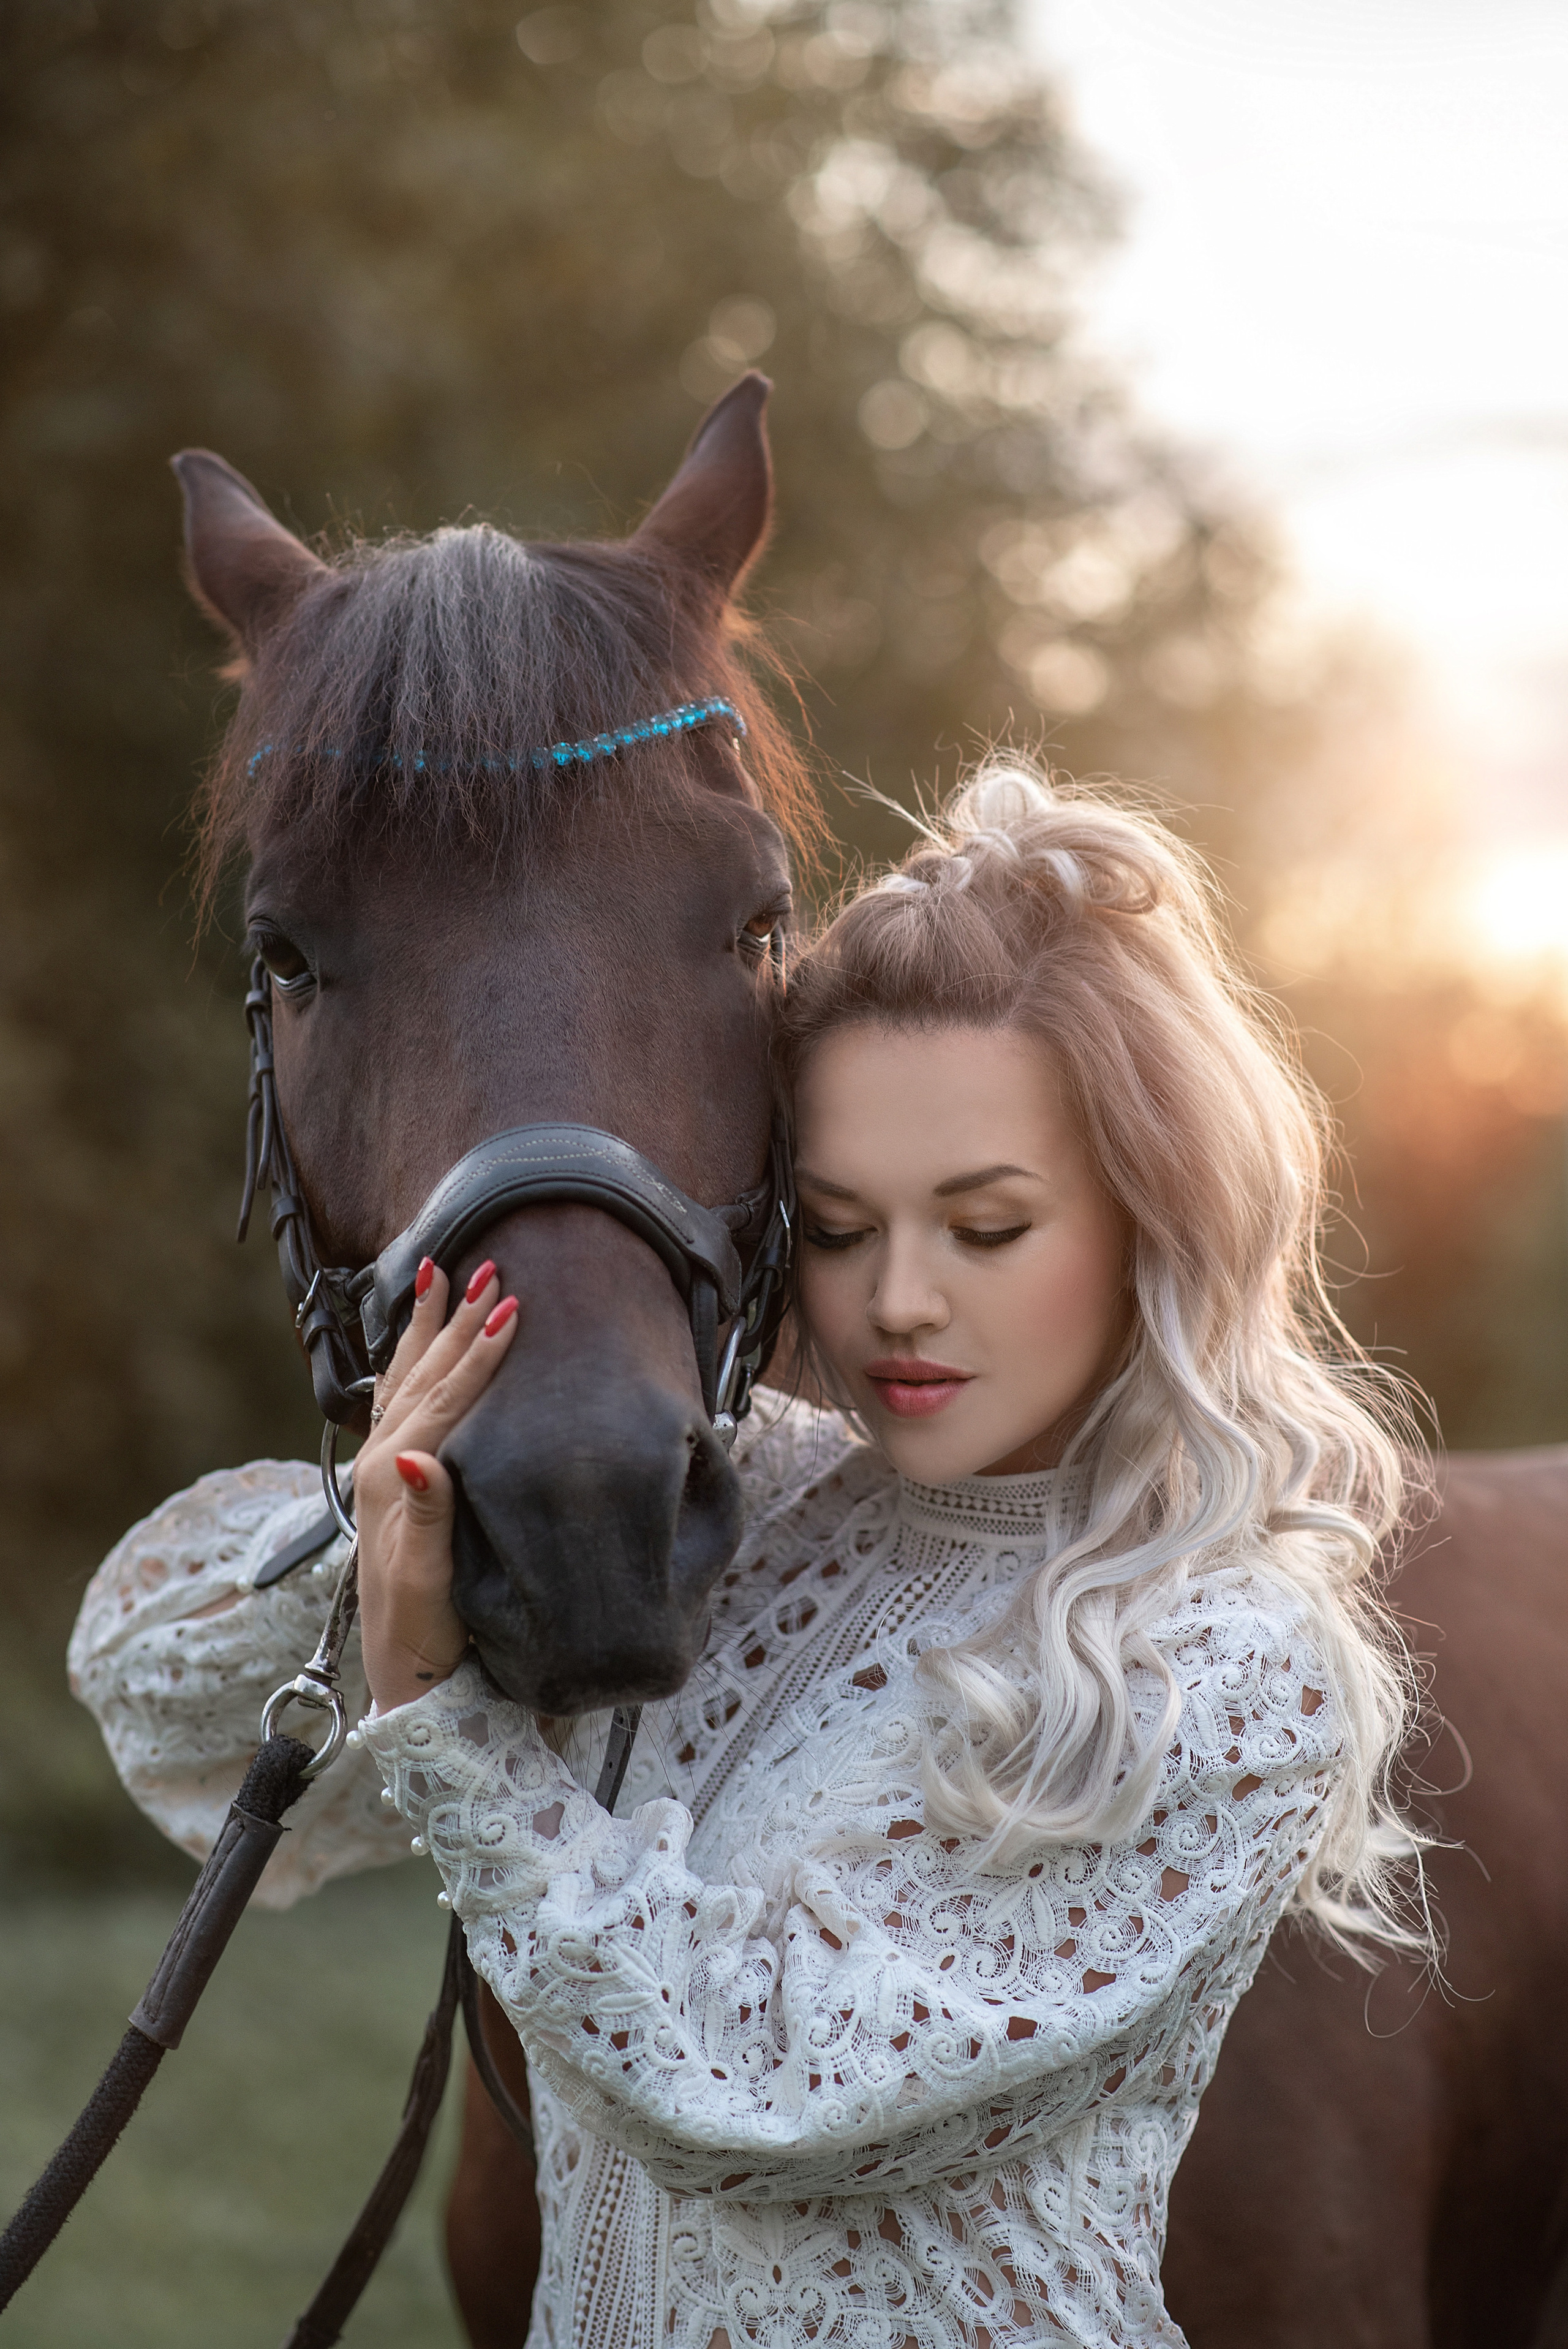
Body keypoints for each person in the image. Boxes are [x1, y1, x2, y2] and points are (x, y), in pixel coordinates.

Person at [71, 759, 1423, 2347]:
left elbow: (754, 2080)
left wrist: (441, 1711)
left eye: (986, 1227)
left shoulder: (1228, 1659)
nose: (902, 1300)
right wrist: (414, 1491)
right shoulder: (744, 1511)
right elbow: (149, 1680)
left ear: (1154, 1217)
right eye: (843, 1227)